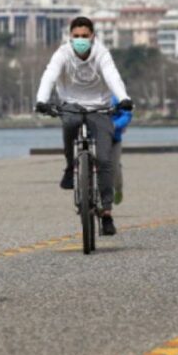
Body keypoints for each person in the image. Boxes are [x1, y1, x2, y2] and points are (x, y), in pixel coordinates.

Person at [35, 16, 133, 236]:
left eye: (84, 36)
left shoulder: (101, 53)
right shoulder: (62, 54)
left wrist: (124, 98)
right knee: (69, 123)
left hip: (99, 107)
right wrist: (41, 100)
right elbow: (49, 75)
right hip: (71, 104)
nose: (80, 40)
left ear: (93, 37)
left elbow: (112, 77)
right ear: (70, 37)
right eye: (76, 36)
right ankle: (71, 167)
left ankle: (106, 212)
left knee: (106, 160)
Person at [111, 96, 132, 205]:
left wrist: (116, 125)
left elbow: (127, 114)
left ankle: (118, 189)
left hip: (113, 139)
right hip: (93, 137)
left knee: (114, 167)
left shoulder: (116, 97)